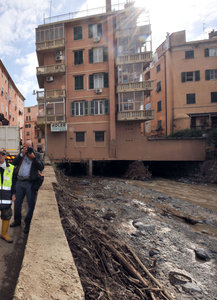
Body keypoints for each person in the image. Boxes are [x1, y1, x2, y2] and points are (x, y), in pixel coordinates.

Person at [10, 140, 44, 233]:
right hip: (19, 182)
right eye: (25, 147)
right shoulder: (21, 155)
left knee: (31, 204)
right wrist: (21, 154)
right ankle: (17, 220)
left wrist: (33, 158)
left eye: (29, 147)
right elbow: (13, 163)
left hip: (30, 183)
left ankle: (27, 224)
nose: (27, 148)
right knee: (17, 203)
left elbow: (41, 167)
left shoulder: (37, 155)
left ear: (32, 147)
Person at [0, 148, 16, 243]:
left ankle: (4, 234)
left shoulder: (11, 168)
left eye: (2, 153)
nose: (0, 155)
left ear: (5, 155)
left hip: (6, 197)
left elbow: (14, 183)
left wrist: (14, 194)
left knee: (6, 215)